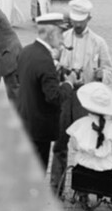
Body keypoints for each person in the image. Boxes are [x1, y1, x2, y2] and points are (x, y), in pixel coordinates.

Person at [51, 0, 112, 192]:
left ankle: (82, 189)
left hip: (86, 99)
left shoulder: (98, 42)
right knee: (60, 141)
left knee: (85, 144)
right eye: (74, 21)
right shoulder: (62, 38)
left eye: (81, 21)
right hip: (65, 95)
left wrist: (101, 74)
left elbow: (110, 69)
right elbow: (50, 60)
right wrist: (59, 68)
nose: (77, 25)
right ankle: (56, 186)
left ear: (89, 19)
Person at [16, 13, 77, 178]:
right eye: (60, 33)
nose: (62, 39)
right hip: (39, 128)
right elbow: (54, 97)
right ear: (52, 34)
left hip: (25, 120)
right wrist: (68, 83)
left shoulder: (26, 51)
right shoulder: (45, 61)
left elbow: (21, 79)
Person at [66, 82, 112, 205]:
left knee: (81, 159)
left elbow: (73, 147)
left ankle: (82, 194)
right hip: (106, 172)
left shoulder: (80, 125)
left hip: (83, 169)